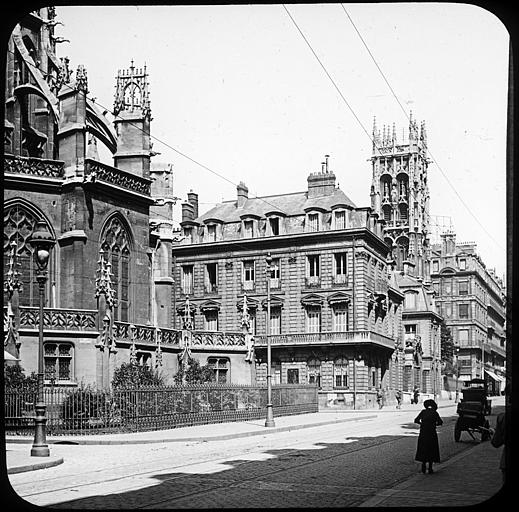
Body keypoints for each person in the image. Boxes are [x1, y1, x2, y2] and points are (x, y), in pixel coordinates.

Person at [414, 398, 443, 474]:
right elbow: (440, 422)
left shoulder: (423, 412)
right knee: (431, 449)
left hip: (423, 433)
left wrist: (422, 424)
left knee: (423, 448)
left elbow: (416, 420)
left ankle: (423, 466)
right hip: (432, 433)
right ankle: (430, 468)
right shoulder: (435, 413)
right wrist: (434, 424)